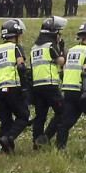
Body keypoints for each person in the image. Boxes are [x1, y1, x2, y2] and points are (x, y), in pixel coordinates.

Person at [54, 21, 86, 150]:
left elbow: (64, 69)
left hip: (69, 91)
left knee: (65, 122)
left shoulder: (71, 51)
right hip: (83, 91)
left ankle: (59, 148)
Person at [0, 18, 31, 154]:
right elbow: (21, 66)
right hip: (13, 86)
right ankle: (9, 138)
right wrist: (25, 87)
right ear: (16, 34)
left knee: (5, 119)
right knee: (23, 116)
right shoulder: (15, 48)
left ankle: (6, 149)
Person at [29, 16, 66, 149]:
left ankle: (36, 143)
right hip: (50, 85)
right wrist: (62, 48)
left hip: (37, 86)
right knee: (62, 111)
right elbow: (62, 61)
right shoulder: (51, 46)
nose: (59, 36)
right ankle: (45, 137)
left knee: (40, 116)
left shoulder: (34, 48)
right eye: (58, 33)